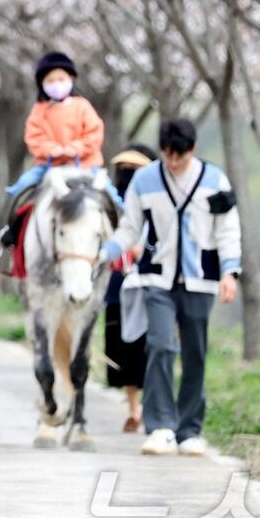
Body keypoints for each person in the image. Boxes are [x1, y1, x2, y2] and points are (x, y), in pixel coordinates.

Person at [101, 119, 242, 457]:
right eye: (168, 155)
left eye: (180, 156)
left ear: (192, 150)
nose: (174, 163)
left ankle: (189, 429)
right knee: (160, 346)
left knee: (195, 352)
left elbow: (227, 229)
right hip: (157, 277)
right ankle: (161, 426)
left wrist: (230, 272)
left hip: (201, 278)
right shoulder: (146, 179)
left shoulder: (214, 181)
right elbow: (130, 228)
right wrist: (103, 254)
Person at [0, 51, 111, 257]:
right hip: (49, 166)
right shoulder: (39, 110)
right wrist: (52, 149)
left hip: (85, 165)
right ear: (42, 84)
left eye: (61, 79)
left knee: (111, 195)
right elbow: (33, 137)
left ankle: (117, 241)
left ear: (71, 79)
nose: (56, 84)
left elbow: (94, 133)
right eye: (50, 80)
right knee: (20, 189)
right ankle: (12, 232)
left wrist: (76, 148)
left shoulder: (82, 106)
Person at [103, 144, 157, 433]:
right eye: (124, 170)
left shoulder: (157, 200)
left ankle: (149, 405)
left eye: (134, 170)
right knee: (122, 349)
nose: (127, 176)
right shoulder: (109, 204)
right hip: (116, 286)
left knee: (150, 347)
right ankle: (133, 407)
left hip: (150, 283)